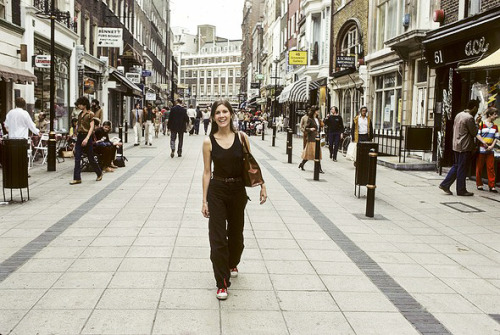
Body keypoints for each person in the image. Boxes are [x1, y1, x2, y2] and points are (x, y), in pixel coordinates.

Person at [201, 99, 267, 300]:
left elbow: (251, 164)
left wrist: (262, 185)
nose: (221, 115)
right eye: (218, 112)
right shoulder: (208, 142)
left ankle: (232, 261)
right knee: (218, 237)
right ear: (213, 117)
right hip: (217, 190)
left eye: (225, 112)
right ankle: (222, 282)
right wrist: (204, 200)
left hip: (238, 190)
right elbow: (206, 172)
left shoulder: (242, 137)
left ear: (231, 114)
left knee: (236, 236)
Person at [439, 100, 486, 196]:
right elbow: (474, 132)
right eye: (477, 108)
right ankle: (461, 190)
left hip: (456, 144)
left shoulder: (459, 115)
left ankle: (445, 184)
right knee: (462, 168)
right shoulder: (469, 118)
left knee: (457, 166)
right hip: (464, 146)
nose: (477, 110)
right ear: (474, 107)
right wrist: (477, 123)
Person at [70, 96, 103, 185]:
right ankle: (77, 178)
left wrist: (87, 138)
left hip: (87, 137)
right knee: (77, 157)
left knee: (90, 157)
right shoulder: (80, 114)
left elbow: (91, 127)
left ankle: (99, 173)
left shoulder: (90, 114)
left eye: (80, 104)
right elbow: (78, 126)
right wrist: (75, 134)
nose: (78, 106)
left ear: (84, 104)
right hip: (80, 137)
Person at [475, 107, 499, 192]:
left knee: (491, 167)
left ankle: (492, 186)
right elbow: (478, 135)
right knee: (479, 166)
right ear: (490, 115)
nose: (496, 116)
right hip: (482, 148)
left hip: (490, 149)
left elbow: (496, 137)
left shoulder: (495, 126)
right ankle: (479, 184)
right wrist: (484, 143)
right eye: (495, 114)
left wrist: (492, 146)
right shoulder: (482, 124)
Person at [298, 106, 324, 173]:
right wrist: (310, 129)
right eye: (317, 110)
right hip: (312, 138)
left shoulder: (318, 119)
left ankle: (318, 168)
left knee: (317, 153)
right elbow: (306, 128)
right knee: (311, 153)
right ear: (314, 111)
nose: (318, 112)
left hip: (317, 138)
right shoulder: (310, 119)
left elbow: (320, 127)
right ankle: (303, 164)